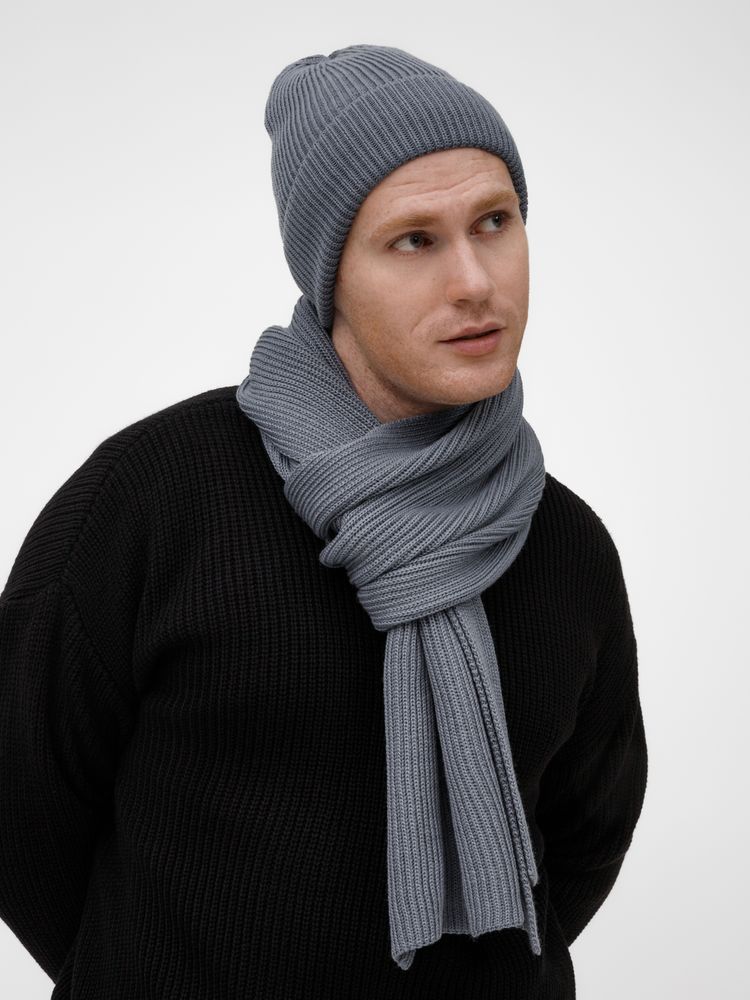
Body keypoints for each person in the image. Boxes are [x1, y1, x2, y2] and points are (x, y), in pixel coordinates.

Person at [0, 44, 648, 999]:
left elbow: (585, 840)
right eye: (414, 240)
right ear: (329, 271)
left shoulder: (564, 543)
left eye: (495, 221)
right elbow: (20, 809)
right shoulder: (152, 499)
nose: (476, 280)